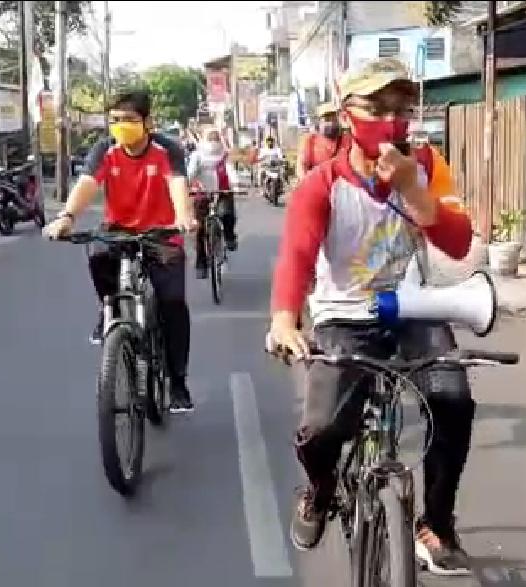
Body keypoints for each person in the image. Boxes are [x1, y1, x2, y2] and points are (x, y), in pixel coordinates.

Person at [265, 57, 476, 575]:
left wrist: (412, 188)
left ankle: (438, 524)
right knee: (321, 431)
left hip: (415, 310)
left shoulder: (426, 164)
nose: (391, 120)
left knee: (453, 400)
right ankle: (319, 489)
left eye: (402, 109)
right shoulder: (320, 184)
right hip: (344, 316)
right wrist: (284, 320)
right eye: (377, 108)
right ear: (346, 114)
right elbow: (296, 255)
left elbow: (458, 240)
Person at [42, 89, 199, 413]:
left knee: (172, 304)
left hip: (163, 234)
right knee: (98, 253)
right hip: (119, 230)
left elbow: (177, 185)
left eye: (129, 119)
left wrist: (184, 216)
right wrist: (67, 217)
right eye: (114, 120)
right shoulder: (105, 150)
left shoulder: (166, 149)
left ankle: (178, 381)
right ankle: (108, 306)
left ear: (148, 122)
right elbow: (87, 183)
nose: (121, 126)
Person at [187, 129, 240, 279]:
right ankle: (201, 264)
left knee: (227, 214)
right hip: (202, 193)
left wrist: (236, 184)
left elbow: (230, 171)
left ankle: (229, 237)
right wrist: (187, 185)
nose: (213, 141)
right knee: (199, 230)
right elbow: (190, 173)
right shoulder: (197, 156)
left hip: (222, 191)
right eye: (210, 138)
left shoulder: (224, 155)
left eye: (215, 138)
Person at [297, 103, 350, 175]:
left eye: (334, 119)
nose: (331, 123)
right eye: (327, 119)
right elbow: (302, 167)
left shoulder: (346, 139)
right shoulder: (310, 140)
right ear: (319, 122)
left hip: (341, 183)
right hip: (316, 182)